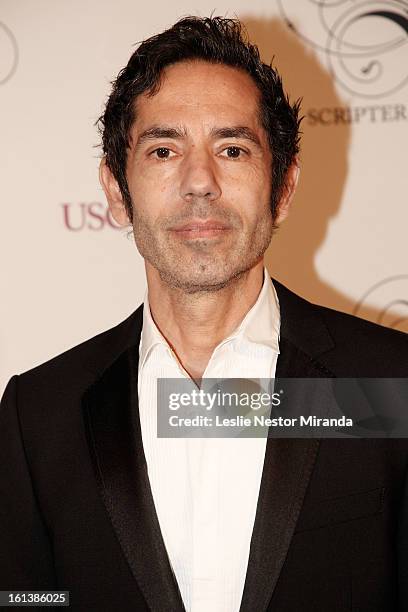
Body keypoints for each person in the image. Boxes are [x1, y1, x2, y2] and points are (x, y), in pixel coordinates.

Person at [1, 16, 407, 612]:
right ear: (117, 190)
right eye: (164, 149)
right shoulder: (39, 417)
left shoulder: (387, 387)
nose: (200, 182)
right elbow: (24, 600)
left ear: (284, 188)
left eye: (232, 148)